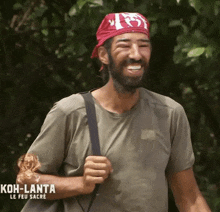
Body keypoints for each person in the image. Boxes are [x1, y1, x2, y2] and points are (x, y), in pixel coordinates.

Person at [18, 12, 211, 212]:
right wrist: (80, 184)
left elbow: (190, 199)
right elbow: (24, 183)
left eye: (143, 45)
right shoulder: (70, 112)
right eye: (124, 45)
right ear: (103, 55)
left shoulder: (169, 113)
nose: (136, 54)